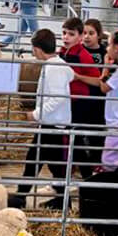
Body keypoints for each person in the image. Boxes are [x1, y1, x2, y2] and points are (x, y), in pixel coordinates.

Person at [9, 29, 73, 210]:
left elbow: (57, 97)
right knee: (37, 161)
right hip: (51, 124)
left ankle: (61, 200)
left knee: (54, 166)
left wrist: (36, 114)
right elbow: (69, 78)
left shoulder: (54, 68)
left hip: (55, 125)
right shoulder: (58, 65)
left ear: (37, 49)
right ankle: (23, 196)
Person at [74, 28, 118, 172]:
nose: (107, 48)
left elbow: (104, 87)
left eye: (109, 45)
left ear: (116, 48)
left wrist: (105, 67)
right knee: (117, 158)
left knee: (110, 160)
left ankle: (115, 188)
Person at [60, 18, 102, 178]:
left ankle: (86, 175)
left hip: (79, 102)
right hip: (66, 100)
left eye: (71, 34)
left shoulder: (83, 56)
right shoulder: (62, 52)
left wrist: (78, 77)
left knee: (75, 140)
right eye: (64, 33)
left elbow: (98, 79)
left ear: (79, 36)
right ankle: (84, 175)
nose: (66, 37)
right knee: (72, 141)